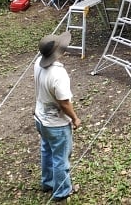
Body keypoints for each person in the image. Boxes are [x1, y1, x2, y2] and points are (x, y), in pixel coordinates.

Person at [33, 31, 81, 202]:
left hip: (40, 119)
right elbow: (64, 103)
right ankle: (61, 191)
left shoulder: (38, 63)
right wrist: (75, 118)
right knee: (61, 158)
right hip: (56, 125)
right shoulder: (58, 75)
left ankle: (48, 182)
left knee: (46, 150)